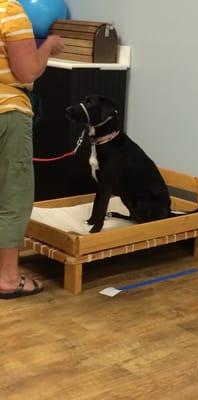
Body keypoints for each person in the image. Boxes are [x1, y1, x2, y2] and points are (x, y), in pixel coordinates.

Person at [0, 0, 64, 299]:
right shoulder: (9, 11)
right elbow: (27, 72)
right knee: (13, 196)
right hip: (7, 113)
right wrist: (48, 46)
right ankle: (9, 279)